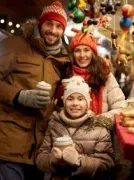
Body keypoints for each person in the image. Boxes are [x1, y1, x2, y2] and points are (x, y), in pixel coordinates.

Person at [0, 1, 69, 180]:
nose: (53, 30)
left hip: (39, 147)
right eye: (49, 23)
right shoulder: (14, 45)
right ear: (40, 24)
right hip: (9, 142)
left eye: (58, 26)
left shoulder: (61, 60)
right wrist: (19, 96)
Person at [36, 76, 115, 179]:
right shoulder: (54, 124)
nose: (75, 103)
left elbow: (106, 163)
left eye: (80, 99)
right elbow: (40, 157)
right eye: (70, 98)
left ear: (87, 102)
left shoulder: (98, 127)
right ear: (64, 101)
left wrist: (79, 161)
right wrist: (51, 160)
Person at [56, 30, 126, 120]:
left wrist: (97, 121)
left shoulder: (104, 74)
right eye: (77, 51)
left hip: (100, 130)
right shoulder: (66, 74)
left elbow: (120, 107)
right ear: (72, 54)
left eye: (86, 50)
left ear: (93, 53)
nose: (82, 55)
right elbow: (58, 108)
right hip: (70, 131)